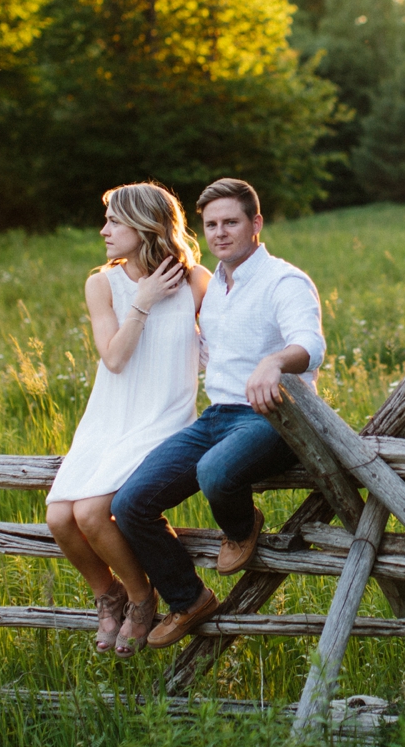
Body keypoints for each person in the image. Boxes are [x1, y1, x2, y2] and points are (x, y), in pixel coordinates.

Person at [112, 177, 325, 651]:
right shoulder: (212, 286)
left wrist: (273, 362)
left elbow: (310, 344)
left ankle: (242, 526)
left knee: (215, 471)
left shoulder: (284, 281)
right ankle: (188, 599)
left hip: (275, 415)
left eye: (231, 222)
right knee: (129, 505)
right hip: (216, 416)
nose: (220, 232)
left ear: (256, 224)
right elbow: (208, 353)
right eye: (211, 224)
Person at [44, 182, 211, 659]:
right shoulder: (102, 283)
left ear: (145, 225)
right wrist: (143, 299)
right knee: (59, 517)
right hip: (109, 417)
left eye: (114, 220)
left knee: (92, 512)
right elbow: (114, 360)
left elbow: (219, 346)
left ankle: (141, 598)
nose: (104, 230)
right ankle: (108, 594)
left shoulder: (196, 280)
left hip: (163, 416)